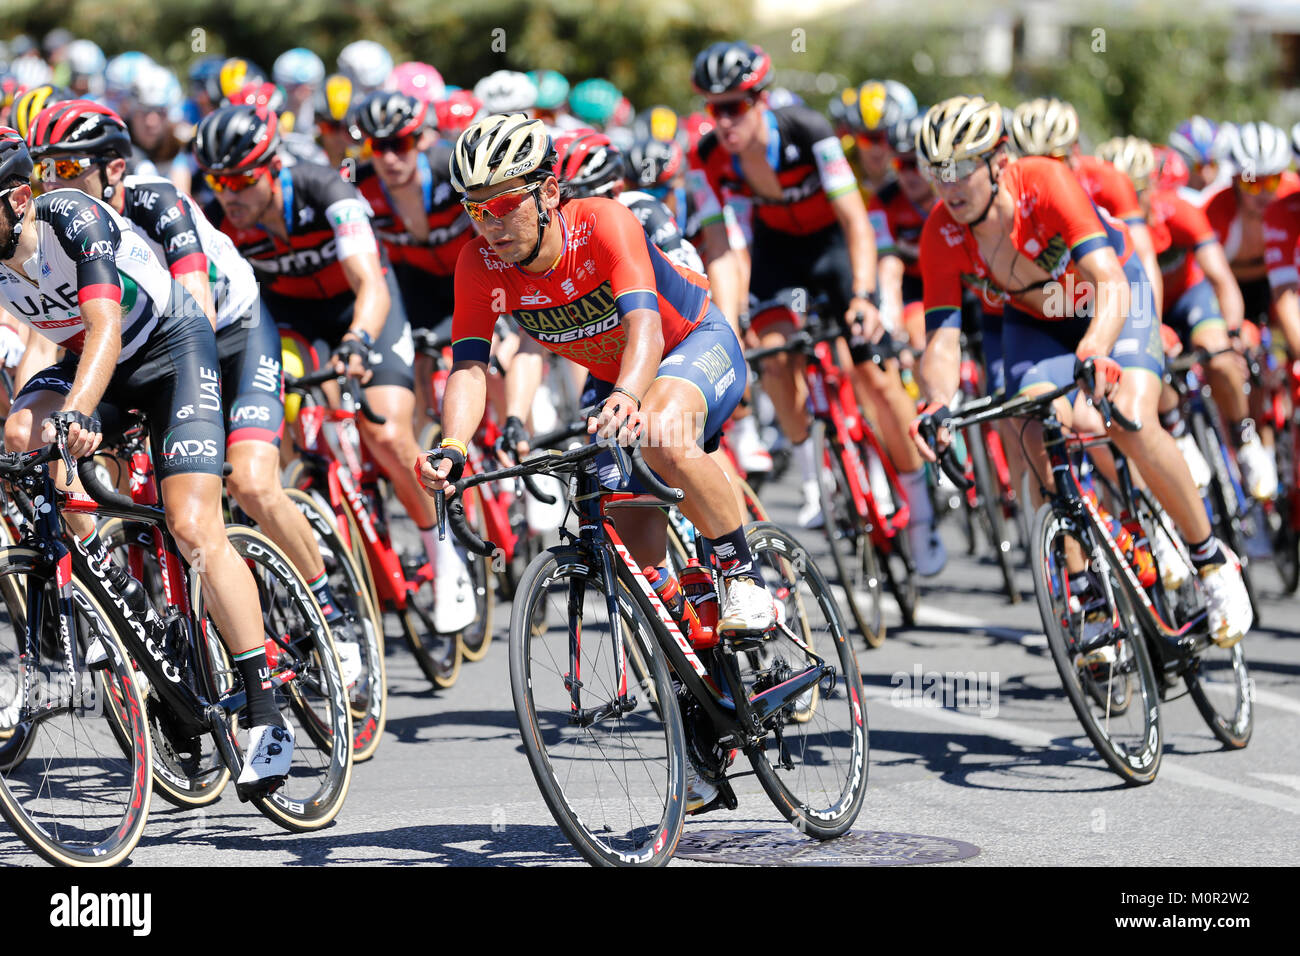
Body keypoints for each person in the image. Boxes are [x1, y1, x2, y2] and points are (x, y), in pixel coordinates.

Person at [419, 116, 774, 809]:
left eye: (499, 206)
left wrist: (629, 398)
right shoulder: (478, 264)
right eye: (472, 209)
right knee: (636, 563)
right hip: (613, 373)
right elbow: (468, 368)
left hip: (688, 343)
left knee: (665, 432)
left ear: (548, 192)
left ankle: (741, 572)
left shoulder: (602, 223)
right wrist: (453, 446)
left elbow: (644, 325)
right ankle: (704, 707)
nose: (486, 226)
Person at [26, 97, 364, 681]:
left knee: (254, 481)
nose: (54, 185)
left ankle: (330, 615)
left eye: (68, 169)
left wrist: (180, 420)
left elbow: (196, 309)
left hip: (227, 331)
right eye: (45, 171)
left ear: (113, 169)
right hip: (149, 345)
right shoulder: (57, 231)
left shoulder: (157, 201)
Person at [0, 127, 295, 785]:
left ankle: (265, 707)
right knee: (22, 435)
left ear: (19, 197)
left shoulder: (69, 217)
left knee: (191, 525)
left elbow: (104, 325)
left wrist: (79, 412)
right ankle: (123, 599)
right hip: (94, 362)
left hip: (169, 352)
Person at [910, 96, 1252, 649]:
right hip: (1037, 321)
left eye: (959, 169)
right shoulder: (940, 233)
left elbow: (1110, 281)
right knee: (1030, 426)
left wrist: (1095, 347)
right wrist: (937, 404)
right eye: (935, 172)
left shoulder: (1044, 181)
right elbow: (943, 340)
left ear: (998, 160)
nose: (946, 186)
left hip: (1111, 298)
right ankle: (1087, 584)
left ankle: (1213, 561)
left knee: (1130, 418)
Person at [195, 103, 476, 633]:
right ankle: (313, 517)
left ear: (274, 166)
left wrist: (357, 341)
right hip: (291, 323)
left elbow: (370, 283)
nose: (229, 193)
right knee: (276, 425)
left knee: (387, 429)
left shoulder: (327, 189)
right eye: (218, 180)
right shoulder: (215, 216)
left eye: (242, 178)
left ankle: (444, 555)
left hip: (360, 308)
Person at [691, 41, 945, 572]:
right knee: (775, 357)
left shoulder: (809, 131)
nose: (724, 120)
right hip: (777, 254)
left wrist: (863, 296)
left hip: (833, 248)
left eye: (735, 105)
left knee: (872, 378)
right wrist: (729, 320)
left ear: (760, 100)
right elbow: (720, 245)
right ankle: (815, 479)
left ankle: (920, 513)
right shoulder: (708, 157)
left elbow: (855, 220)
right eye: (714, 108)